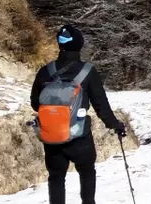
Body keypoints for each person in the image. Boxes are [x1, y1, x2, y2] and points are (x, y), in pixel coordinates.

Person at [30, 24, 126, 204]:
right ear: (80, 44)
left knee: (56, 178)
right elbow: (101, 105)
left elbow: (36, 104)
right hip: (80, 136)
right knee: (87, 173)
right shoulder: (88, 72)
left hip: (53, 137)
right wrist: (115, 125)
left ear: (60, 44)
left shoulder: (45, 71)